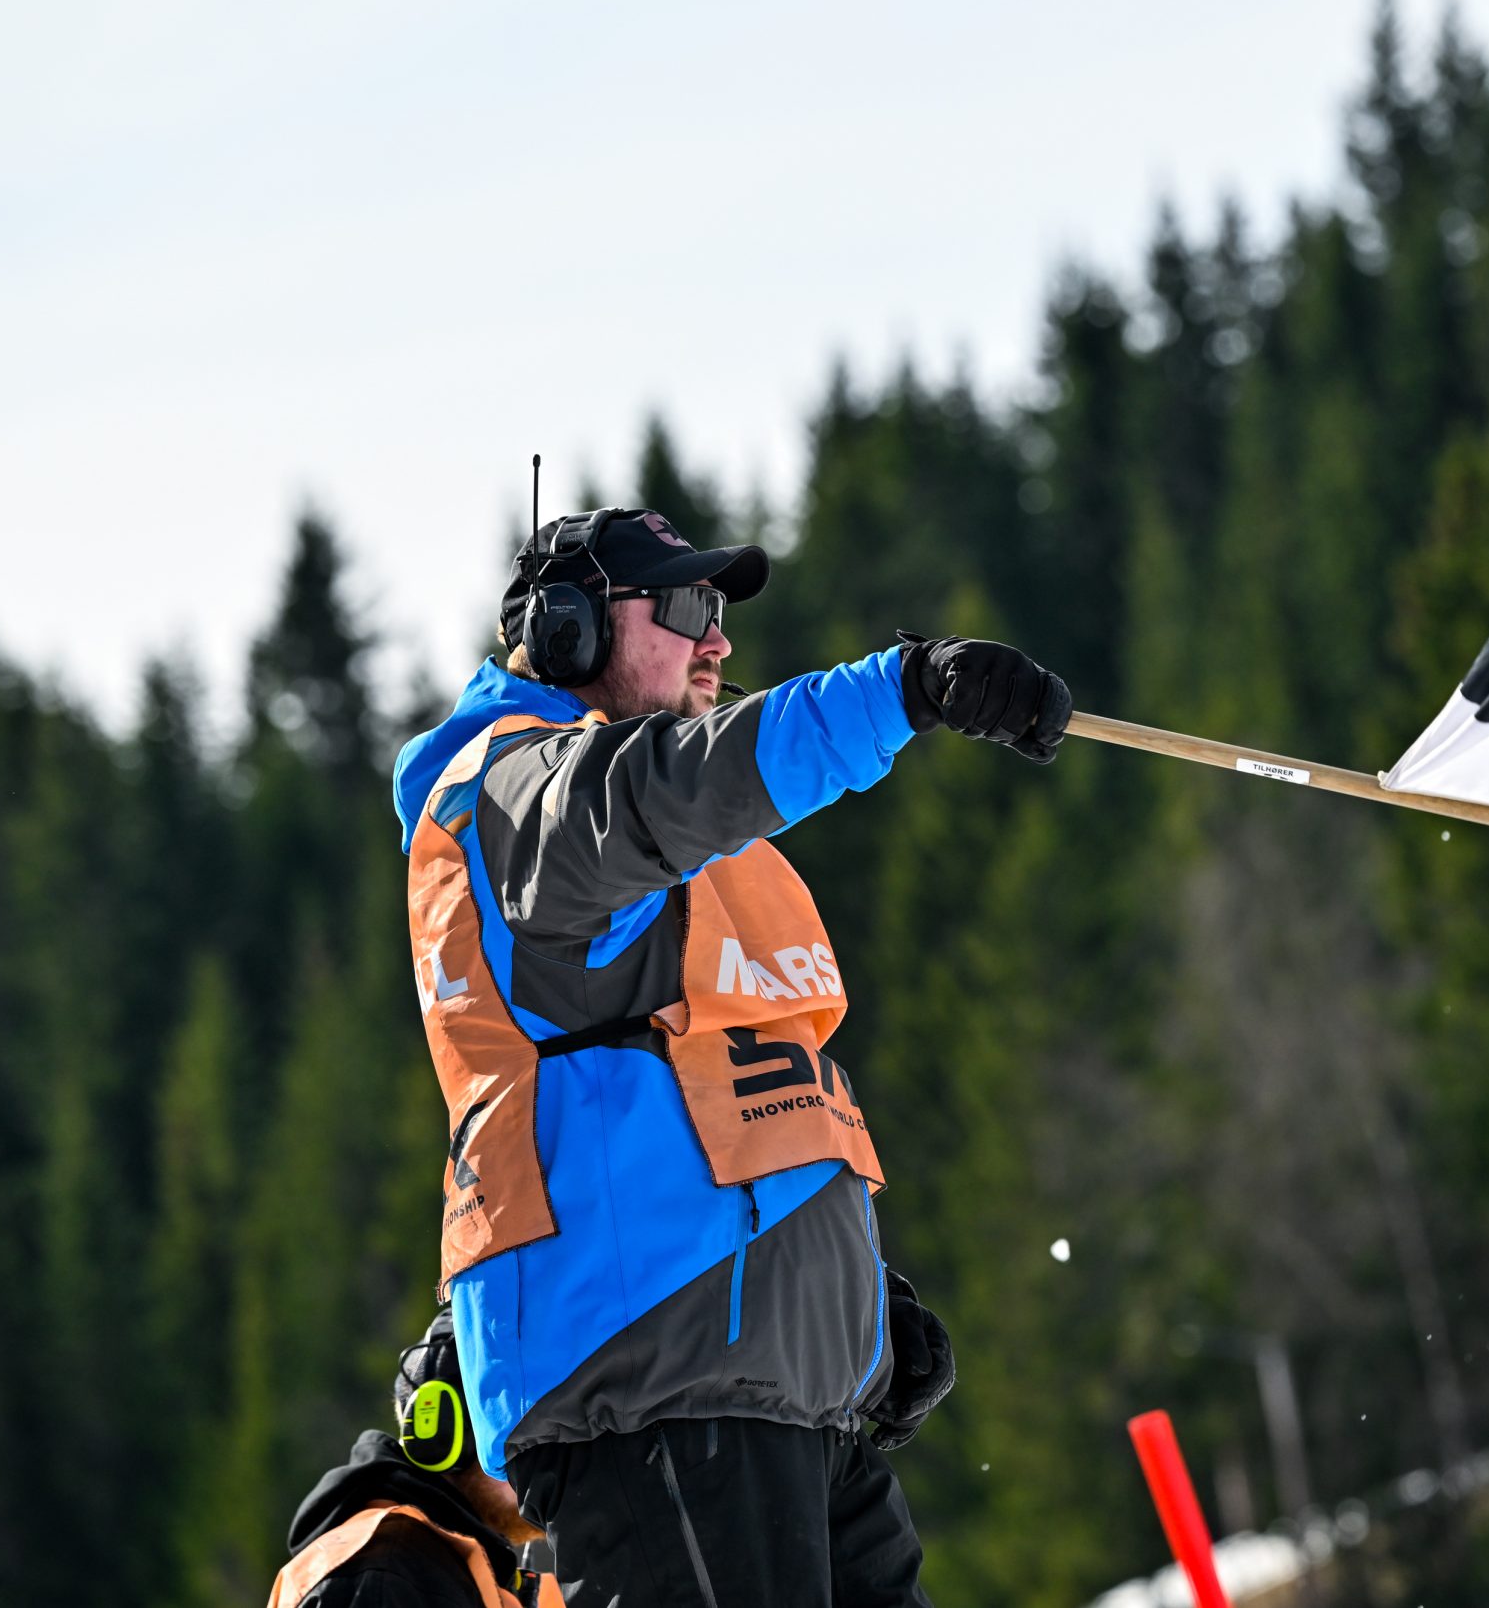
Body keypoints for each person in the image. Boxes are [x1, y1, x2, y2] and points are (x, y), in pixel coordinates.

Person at [390, 502, 1069, 1607]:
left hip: (774, 1389)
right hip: (661, 1389)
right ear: (567, 630)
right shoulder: (518, 796)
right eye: (684, 607)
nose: (718, 639)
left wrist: (854, 1309)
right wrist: (900, 691)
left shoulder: (672, 845)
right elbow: (674, 785)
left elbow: (709, 1091)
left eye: (716, 608)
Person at [266, 1308, 559, 1607]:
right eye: (528, 1427)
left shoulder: (433, 1571)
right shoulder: (387, 1575)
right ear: (443, 1430)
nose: (553, 1455)